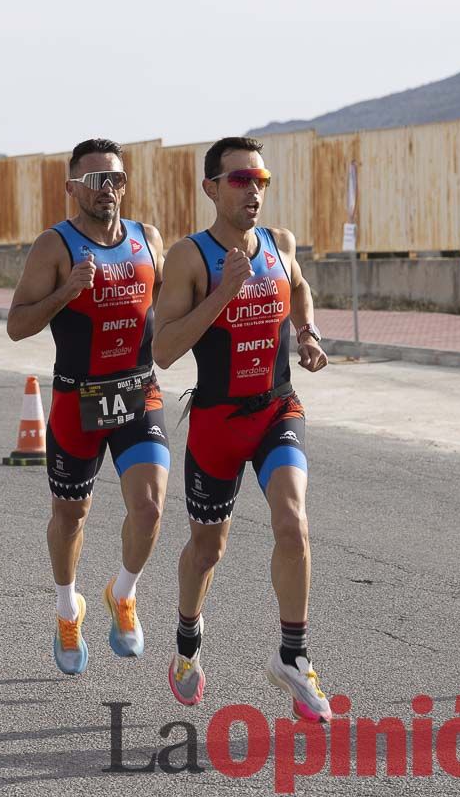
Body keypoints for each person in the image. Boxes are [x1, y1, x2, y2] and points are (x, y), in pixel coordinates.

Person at [152, 136, 333, 722]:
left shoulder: (280, 245)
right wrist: (224, 293)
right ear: (211, 188)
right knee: (208, 549)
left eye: (261, 180)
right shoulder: (190, 257)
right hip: (216, 421)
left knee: (293, 524)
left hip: (277, 409)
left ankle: (293, 657)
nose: (253, 190)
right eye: (239, 180)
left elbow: (299, 287)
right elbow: (164, 349)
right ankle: (186, 646)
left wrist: (307, 334)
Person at [7, 138, 169, 676]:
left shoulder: (147, 238)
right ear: (73, 187)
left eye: (118, 179)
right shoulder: (54, 246)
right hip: (77, 398)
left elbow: (171, 306)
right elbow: (17, 325)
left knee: (148, 508)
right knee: (70, 514)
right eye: (98, 180)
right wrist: (66, 293)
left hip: (138, 391)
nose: (110, 190)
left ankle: (123, 594)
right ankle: (66, 606)